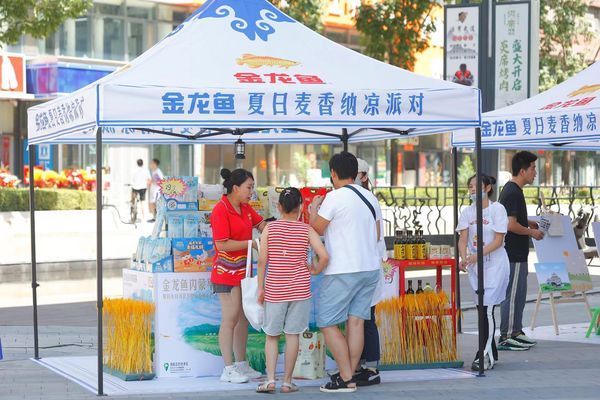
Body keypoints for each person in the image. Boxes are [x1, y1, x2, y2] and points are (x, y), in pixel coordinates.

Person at [309, 152, 382, 393]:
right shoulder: (370, 197)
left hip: (343, 269)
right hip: (370, 268)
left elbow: (316, 229)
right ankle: (347, 376)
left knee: (328, 322)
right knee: (357, 322)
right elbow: (378, 234)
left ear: (333, 173)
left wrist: (313, 210)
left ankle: (346, 378)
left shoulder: (334, 197)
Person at [256, 188, 329, 394]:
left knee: (271, 336)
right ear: (301, 207)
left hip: (275, 289)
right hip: (299, 290)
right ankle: (287, 382)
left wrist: (260, 288)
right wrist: (315, 270)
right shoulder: (306, 230)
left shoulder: (270, 229)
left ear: (278, 207)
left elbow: (262, 261)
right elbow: (323, 255)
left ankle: (270, 380)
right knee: (292, 335)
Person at [210, 168, 267, 383]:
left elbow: (261, 225)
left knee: (243, 317)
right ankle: (228, 368)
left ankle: (241, 364)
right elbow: (221, 243)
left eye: (252, 187)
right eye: (249, 187)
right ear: (235, 188)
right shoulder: (220, 210)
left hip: (244, 271)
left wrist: (280, 227)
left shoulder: (246, 208)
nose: (251, 191)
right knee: (231, 317)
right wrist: (251, 243)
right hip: (225, 272)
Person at [457, 174, 510, 370]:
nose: (471, 189)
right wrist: (464, 257)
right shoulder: (467, 212)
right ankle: (491, 350)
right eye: (469, 186)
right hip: (476, 266)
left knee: (487, 309)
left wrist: (476, 255)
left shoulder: (498, 210)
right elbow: (463, 238)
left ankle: (483, 354)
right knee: (482, 309)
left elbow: (498, 240)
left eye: (475, 186)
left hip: (495, 264)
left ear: (487, 188)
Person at [498, 151, 545, 351]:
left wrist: (529, 223)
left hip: (518, 254)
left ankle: (516, 331)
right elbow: (510, 225)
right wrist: (531, 233)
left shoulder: (515, 190)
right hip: (512, 254)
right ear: (523, 170)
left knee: (519, 294)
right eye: (533, 168)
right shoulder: (511, 192)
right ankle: (506, 335)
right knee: (513, 293)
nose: (535, 172)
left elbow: (514, 220)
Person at [353, 158, 384, 386]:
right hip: (358, 265)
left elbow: (376, 234)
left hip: (367, 265)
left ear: (363, 176)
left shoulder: (369, 199)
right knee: (358, 319)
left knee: (367, 318)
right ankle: (359, 364)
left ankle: (371, 366)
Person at [148, 158, 164, 222]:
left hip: (156, 190)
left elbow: (161, 181)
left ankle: (156, 218)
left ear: (155, 164)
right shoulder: (154, 171)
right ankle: (154, 217)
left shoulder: (158, 171)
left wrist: (153, 182)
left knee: (155, 203)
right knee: (153, 203)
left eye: (152, 163)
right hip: (153, 189)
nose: (150, 164)